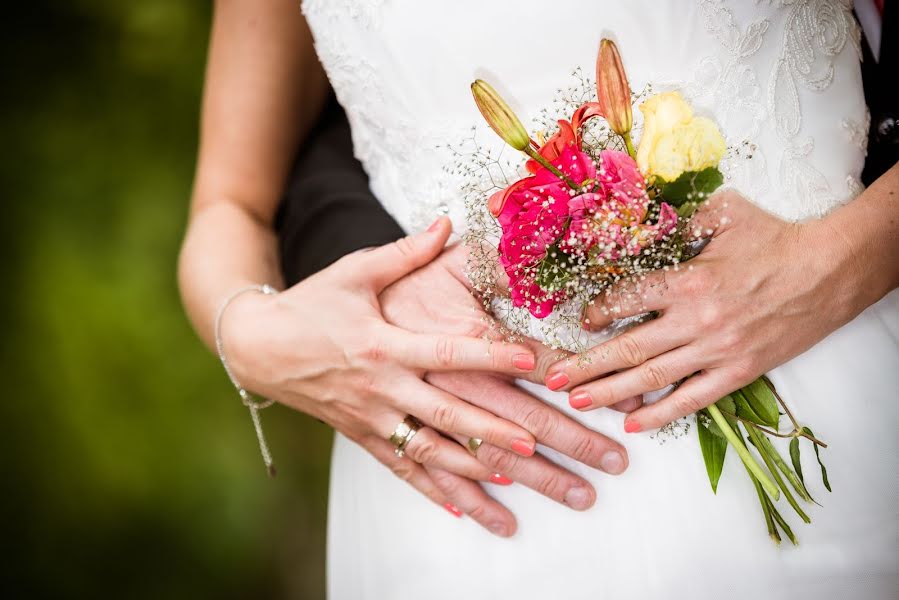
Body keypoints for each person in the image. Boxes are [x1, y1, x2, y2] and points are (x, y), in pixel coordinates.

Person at [178, 1, 898, 598]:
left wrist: (834, 266)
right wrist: (250, 334)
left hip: (828, 387)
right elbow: (229, 203)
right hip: (453, 492)